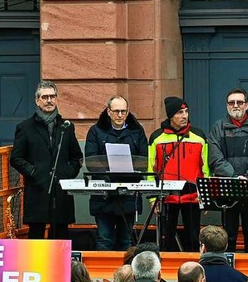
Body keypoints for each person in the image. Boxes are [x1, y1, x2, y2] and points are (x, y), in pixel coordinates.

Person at [10, 80, 83, 239]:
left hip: (61, 191)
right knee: (36, 239)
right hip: (37, 190)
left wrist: (66, 174)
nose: (49, 100)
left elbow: (76, 156)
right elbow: (16, 158)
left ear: (56, 99)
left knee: (61, 238)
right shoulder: (25, 127)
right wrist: (35, 172)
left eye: (52, 96)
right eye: (45, 97)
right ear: (37, 101)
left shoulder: (66, 127)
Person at [208, 88, 248, 253]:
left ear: (247, 105)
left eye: (240, 102)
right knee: (228, 235)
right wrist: (235, 178)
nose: (235, 106)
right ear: (227, 106)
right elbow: (215, 158)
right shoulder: (218, 127)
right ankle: (227, 268)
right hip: (227, 188)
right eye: (231, 102)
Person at [84, 95, 148, 251]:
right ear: (108, 111)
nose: (120, 115)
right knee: (104, 238)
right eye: (116, 111)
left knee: (126, 241)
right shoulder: (95, 131)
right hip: (103, 195)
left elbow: (144, 161)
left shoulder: (137, 131)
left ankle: (125, 275)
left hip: (129, 195)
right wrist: (108, 174)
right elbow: (91, 160)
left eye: (123, 111)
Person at [148, 96, 209, 252]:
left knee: (193, 238)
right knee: (166, 239)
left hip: (193, 197)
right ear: (171, 116)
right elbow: (151, 169)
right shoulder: (156, 138)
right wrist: (153, 198)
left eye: (186, 111)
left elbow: (205, 169)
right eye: (180, 112)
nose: (185, 116)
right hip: (166, 197)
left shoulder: (199, 137)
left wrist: (206, 195)